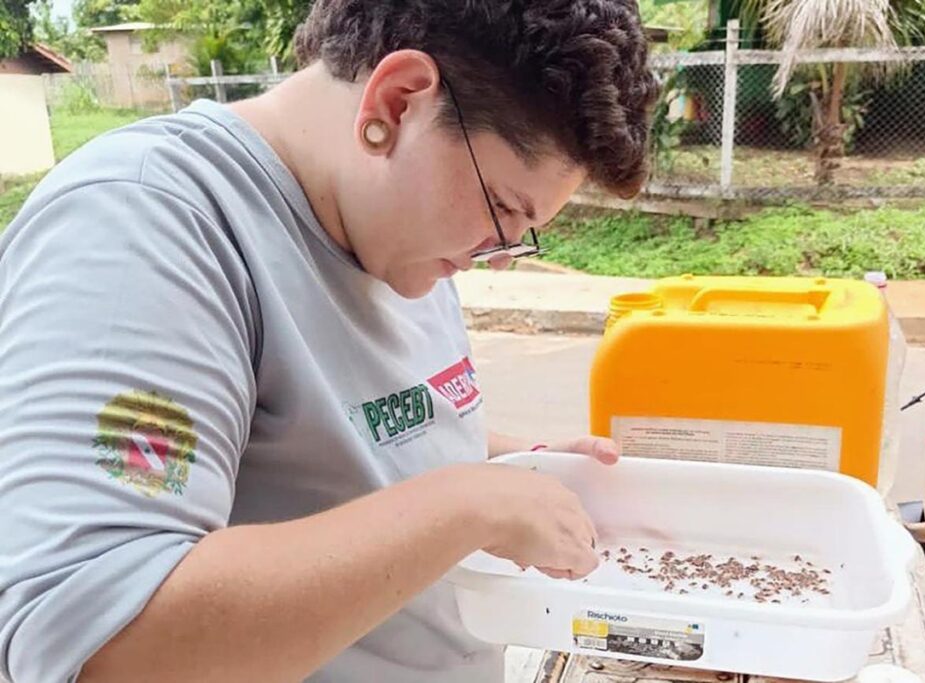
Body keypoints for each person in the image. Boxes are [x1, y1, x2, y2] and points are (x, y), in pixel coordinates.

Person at [0, 1, 658, 681]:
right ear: (398, 103)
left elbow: (357, 424)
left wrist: (518, 469)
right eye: (503, 211)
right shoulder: (142, 228)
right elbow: (98, 640)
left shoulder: (398, 226)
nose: (492, 253)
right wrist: (470, 504)